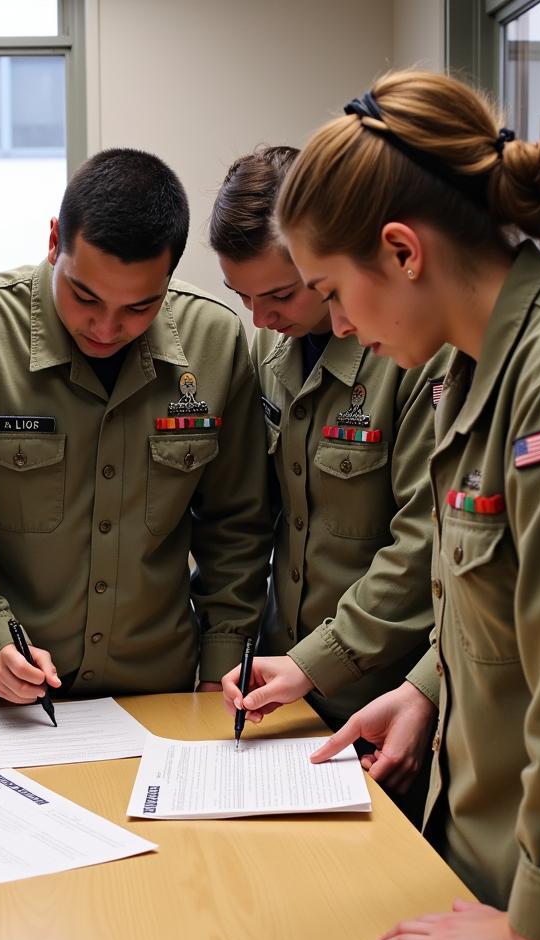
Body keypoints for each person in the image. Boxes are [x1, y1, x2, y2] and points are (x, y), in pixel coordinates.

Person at [275, 70, 540, 940]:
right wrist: (423, 690)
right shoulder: (468, 366)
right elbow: (493, 599)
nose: (340, 326)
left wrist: (537, 928)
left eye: (332, 292)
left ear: (402, 251)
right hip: (485, 866)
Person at [0, 148, 273, 703]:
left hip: (155, 697)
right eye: (84, 295)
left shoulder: (214, 340)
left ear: (169, 276)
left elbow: (237, 528)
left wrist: (221, 663)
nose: (106, 326)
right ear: (54, 242)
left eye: (140, 307)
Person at [209, 146, 449, 804]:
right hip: (286, 691)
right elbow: (253, 516)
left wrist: (318, 662)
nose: (259, 318)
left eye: (282, 294)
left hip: (386, 697)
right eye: (242, 297)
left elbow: (424, 542)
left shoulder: (411, 352)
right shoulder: (270, 345)